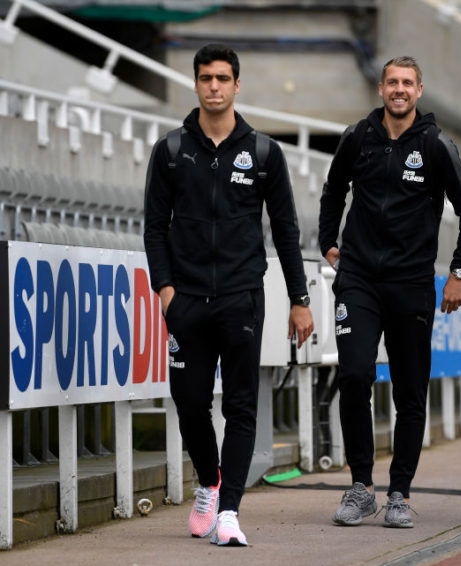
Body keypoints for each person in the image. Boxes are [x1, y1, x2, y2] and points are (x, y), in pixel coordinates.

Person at [144, 44, 314, 547]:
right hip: (187, 300)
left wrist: (300, 299)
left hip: (242, 294)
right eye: (205, 78)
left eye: (222, 78)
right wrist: (165, 288)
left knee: (242, 406)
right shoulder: (172, 150)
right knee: (191, 402)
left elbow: (285, 229)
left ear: (237, 85)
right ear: (195, 84)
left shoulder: (263, 152)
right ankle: (210, 484)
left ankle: (230, 513)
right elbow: (155, 227)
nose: (213, 86)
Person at [319, 56, 461, 528]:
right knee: (354, 376)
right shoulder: (358, 137)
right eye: (392, 82)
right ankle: (360, 488)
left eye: (407, 83)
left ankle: (400, 494)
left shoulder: (435, 144)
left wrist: (457, 272)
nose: (399, 89)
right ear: (380, 89)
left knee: (410, 392)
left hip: (412, 284)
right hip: (359, 280)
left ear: (419, 90)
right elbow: (333, 192)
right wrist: (330, 244)